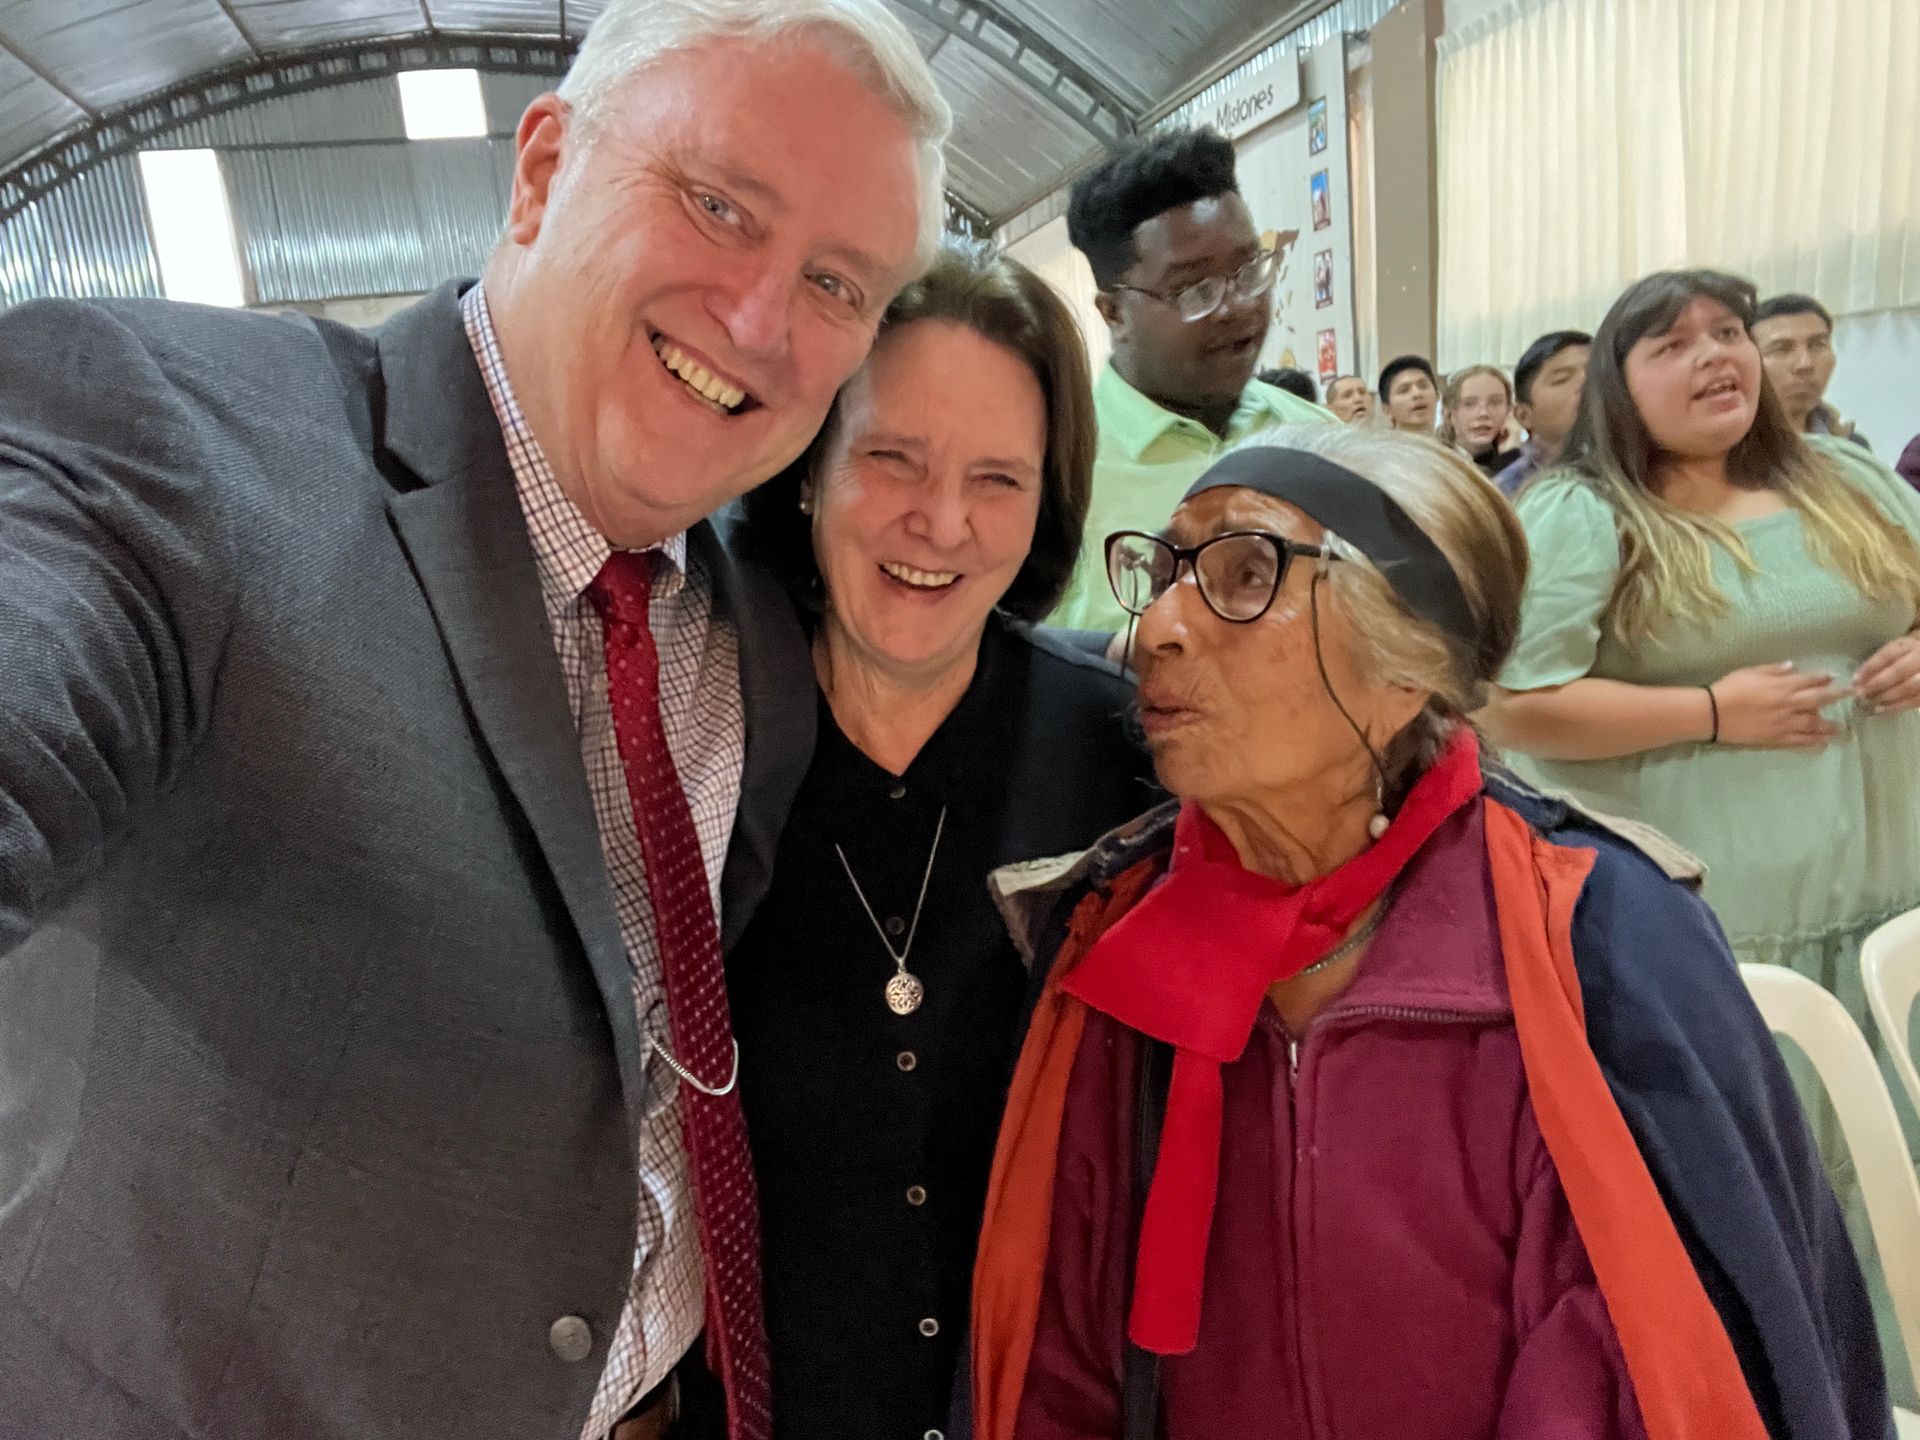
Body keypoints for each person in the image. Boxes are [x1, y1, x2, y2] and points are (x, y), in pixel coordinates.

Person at [0, 3, 950, 1438]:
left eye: (836, 282)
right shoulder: (176, 446)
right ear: (543, 171)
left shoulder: (755, 627)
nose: (761, 320)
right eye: (715, 204)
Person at [969, 425, 1891, 1440]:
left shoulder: (1598, 947)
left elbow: (1648, 1380)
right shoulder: (1118, 942)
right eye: (1166, 572)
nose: (1147, 636)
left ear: (1406, 661)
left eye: (1242, 574)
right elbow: (1059, 1363)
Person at [729, 241, 1156, 1440]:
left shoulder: (1119, 757)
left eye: (999, 480)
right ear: (808, 466)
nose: (943, 523)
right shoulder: (700, 742)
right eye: (892, 459)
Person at [1483, 269, 1920, 1039]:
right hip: (1715, 923)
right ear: (1617, 387)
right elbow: (1512, 708)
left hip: (1895, 898)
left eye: (1728, 334)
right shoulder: (1586, 513)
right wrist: (1710, 713)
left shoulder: (1842, 475)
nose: (1715, 356)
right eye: (1674, 344)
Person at [1046, 128, 1328, 636]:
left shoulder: (1318, 438)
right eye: (1195, 289)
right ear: (1115, 314)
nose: (1237, 305)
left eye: (1248, 272)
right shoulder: (1059, 476)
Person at [1753, 293, 1871, 449]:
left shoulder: (1852, 448)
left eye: (1817, 345)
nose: (1805, 364)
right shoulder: (1730, 452)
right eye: (1781, 349)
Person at [1496, 328, 1591, 495]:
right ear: (1523, 415)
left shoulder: (1639, 472)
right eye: (1561, 379)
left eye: (1596, 374)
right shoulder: (1506, 492)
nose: (1586, 383)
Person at [1439, 363, 1522, 477]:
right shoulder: (1434, 463)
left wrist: (1510, 454)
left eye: (1495, 402)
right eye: (1469, 404)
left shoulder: (1528, 461)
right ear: (1448, 414)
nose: (1484, 413)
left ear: (1510, 411)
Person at [1378, 352, 1439, 432]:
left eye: (1423, 386)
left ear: (1437, 395)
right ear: (1387, 409)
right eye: (1404, 390)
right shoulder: (1382, 444)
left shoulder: (1449, 443)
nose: (1417, 394)